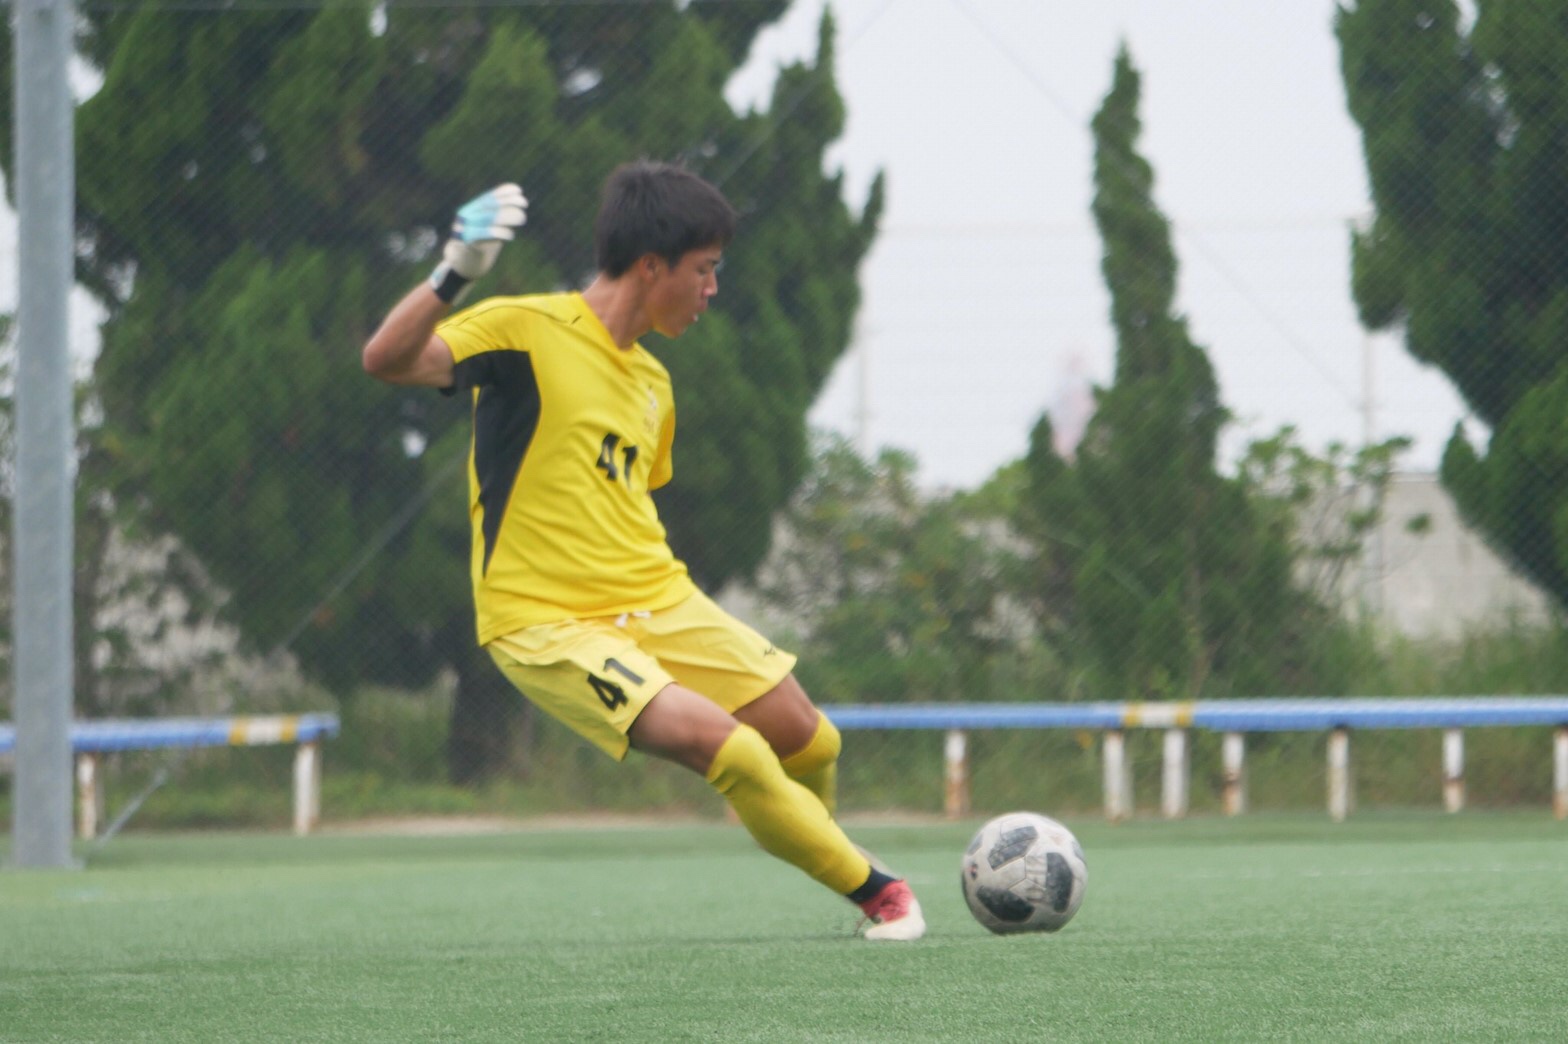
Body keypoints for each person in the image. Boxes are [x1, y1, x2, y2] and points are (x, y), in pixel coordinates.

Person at [361, 161, 924, 941]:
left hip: (656, 599)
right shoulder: (525, 329)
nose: (712, 290)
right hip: (545, 622)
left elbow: (622, 501)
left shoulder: (654, 381)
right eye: (705, 269)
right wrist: (455, 272)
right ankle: (882, 895)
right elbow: (387, 359)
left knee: (810, 740)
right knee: (737, 755)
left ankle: (828, 855)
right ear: (651, 266)